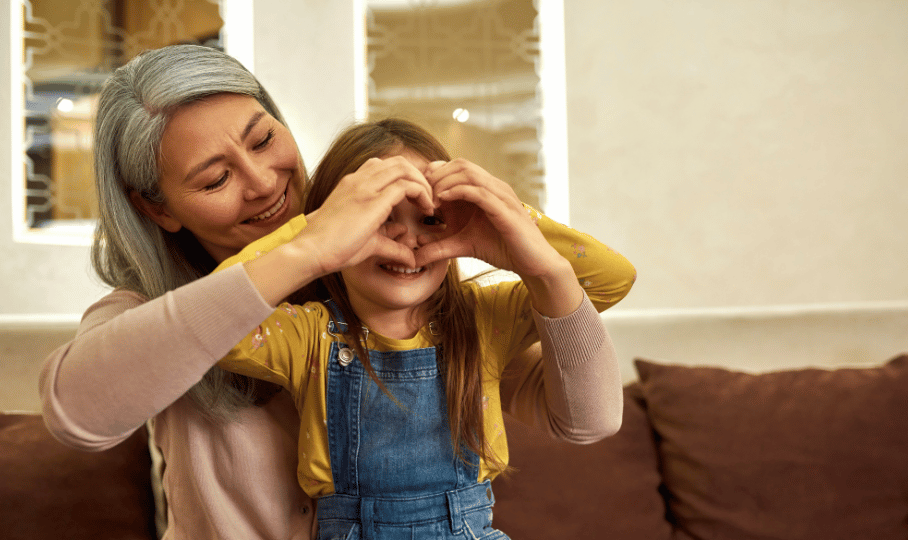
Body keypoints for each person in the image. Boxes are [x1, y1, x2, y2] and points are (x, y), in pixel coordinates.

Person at [37, 45, 628, 540]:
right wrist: (306, 248)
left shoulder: (409, 297)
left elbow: (588, 419)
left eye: (264, 139)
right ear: (157, 209)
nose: (263, 182)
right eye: (216, 178)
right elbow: (78, 413)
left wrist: (517, 230)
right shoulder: (153, 313)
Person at [213, 118, 636, 539]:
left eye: (431, 219)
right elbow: (212, 320)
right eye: (378, 217)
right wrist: (313, 234)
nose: (407, 238)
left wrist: (515, 223)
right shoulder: (308, 335)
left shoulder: (484, 320)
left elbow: (612, 278)